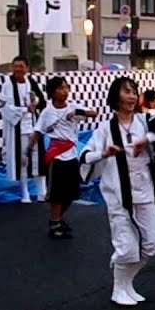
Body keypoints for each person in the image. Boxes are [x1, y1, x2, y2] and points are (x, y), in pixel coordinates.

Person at [81, 76, 155, 306]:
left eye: (134, 92)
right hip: (119, 195)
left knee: (151, 243)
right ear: (116, 96)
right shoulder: (105, 129)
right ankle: (119, 288)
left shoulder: (145, 121)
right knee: (126, 245)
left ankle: (127, 283)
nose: (132, 96)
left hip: (145, 191)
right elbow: (85, 156)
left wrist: (145, 140)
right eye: (127, 91)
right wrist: (104, 154)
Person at [38, 76, 96, 239]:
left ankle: (56, 218)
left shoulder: (73, 107)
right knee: (56, 193)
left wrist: (76, 113)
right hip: (56, 155)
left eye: (66, 87)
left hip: (71, 154)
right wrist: (28, 151)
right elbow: (38, 131)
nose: (65, 91)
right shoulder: (47, 112)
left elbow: (94, 113)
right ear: (53, 92)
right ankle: (55, 222)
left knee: (71, 192)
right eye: (60, 88)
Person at [0, 56, 46, 203]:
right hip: (18, 127)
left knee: (38, 158)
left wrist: (35, 101)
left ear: (26, 67)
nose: (18, 69)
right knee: (23, 160)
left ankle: (42, 191)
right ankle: (25, 192)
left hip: (33, 125)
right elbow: (4, 106)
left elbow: (41, 101)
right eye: (15, 66)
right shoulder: (8, 84)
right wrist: (24, 109)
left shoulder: (31, 82)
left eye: (21, 66)